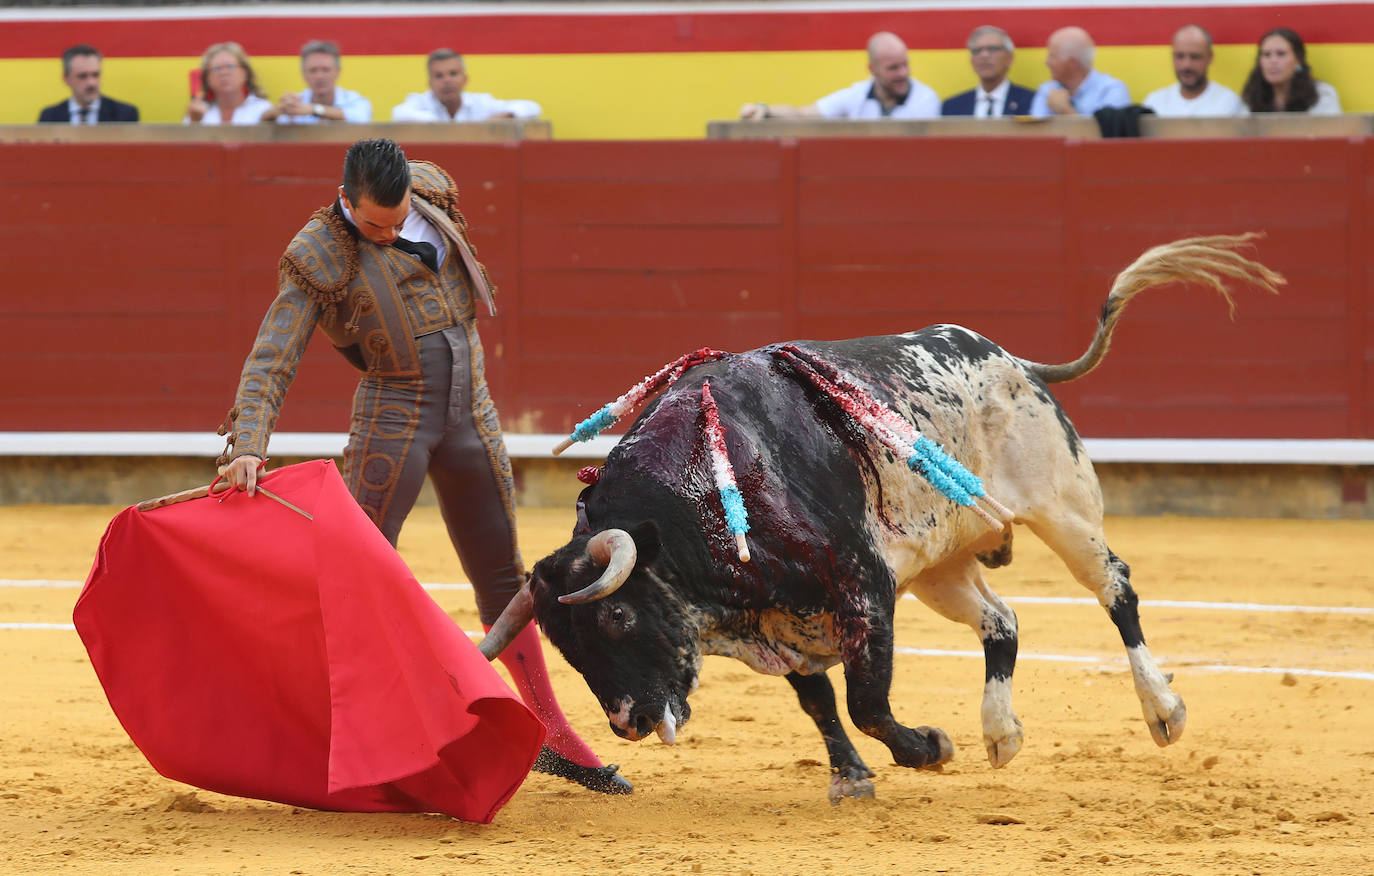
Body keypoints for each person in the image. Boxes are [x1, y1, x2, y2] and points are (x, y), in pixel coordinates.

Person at [217, 138, 629, 795]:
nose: (387, 234)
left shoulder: (432, 192)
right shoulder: (318, 251)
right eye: (372, 225)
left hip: (473, 415)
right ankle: (346, 742)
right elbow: (274, 351)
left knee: (503, 577)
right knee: (358, 581)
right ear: (345, 199)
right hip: (393, 418)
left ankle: (550, 734)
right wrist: (248, 441)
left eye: (396, 219)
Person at [738, 31, 940, 120]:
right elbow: (805, 115)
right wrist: (765, 110)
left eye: (905, 65)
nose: (903, 73)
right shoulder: (857, 94)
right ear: (872, 69)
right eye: (893, 68)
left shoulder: (925, 98)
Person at [391, 49, 541, 122]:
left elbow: (532, 107)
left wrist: (508, 114)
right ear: (430, 83)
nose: (447, 80)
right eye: (439, 76)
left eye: (453, 73)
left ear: (465, 79)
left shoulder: (480, 102)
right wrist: (442, 125)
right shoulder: (419, 102)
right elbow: (398, 113)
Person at [1143, 25, 1245, 117]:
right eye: (1180, 56)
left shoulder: (1229, 103)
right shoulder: (1154, 103)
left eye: (1195, 57)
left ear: (1210, 57)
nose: (1186, 65)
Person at [261, 40, 373, 124]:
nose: (319, 76)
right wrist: (278, 111)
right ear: (304, 73)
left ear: (337, 72)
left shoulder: (354, 100)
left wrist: (314, 109)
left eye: (326, 70)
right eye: (313, 70)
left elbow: (362, 118)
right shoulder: (296, 102)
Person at [1029, 26, 1132, 117]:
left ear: (1072, 63)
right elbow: (1036, 135)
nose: (1047, 62)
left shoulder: (1111, 90)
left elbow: (1109, 134)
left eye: (1052, 56)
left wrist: (1065, 111)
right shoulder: (1047, 90)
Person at [1240, 27, 1341, 114]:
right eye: (1266, 54)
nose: (1273, 61)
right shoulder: (1251, 97)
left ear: (1298, 60)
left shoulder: (1322, 94)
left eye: (1281, 54)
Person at [941, 26, 1035, 117]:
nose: (984, 55)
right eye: (977, 50)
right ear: (971, 61)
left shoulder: (1032, 102)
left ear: (1010, 58)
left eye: (993, 49)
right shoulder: (952, 107)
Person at [37, 44, 139, 123]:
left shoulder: (124, 115)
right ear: (66, 79)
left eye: (95, 75)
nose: (91, 83)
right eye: (82, 76)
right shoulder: (50, 117)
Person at [184, 42, 273, 125]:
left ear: (245, 72)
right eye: (217, 68)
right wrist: (194, 122)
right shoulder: (197, 112)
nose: (224, 73)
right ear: (207, 78)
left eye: (230, 66)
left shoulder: (262, 108)